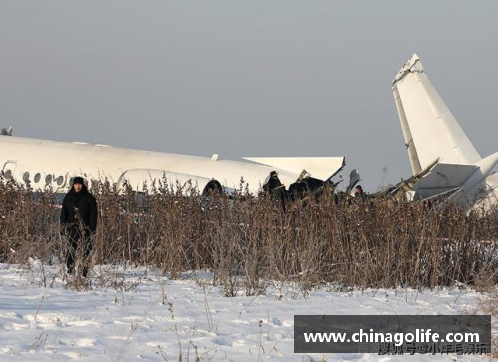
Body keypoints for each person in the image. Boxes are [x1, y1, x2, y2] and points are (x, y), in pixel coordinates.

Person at [60, 177, 98, 277]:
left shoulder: (89, 198)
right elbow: (64, 213)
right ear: (73, 185)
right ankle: (70, 269)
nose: (78, 186)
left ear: (83, 185)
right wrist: (63, 227)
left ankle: (84, 271)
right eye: (76, 184)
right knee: (71, 249)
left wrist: (92, 228)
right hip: (72, 227)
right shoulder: (68, 197)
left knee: (86, 249)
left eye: (80, 184)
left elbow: (93, 214)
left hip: (85, 227)